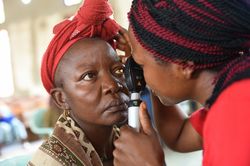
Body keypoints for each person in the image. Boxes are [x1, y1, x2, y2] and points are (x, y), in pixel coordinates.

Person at [113, 0, 250, 165]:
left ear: (184, 65)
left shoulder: (236, 119)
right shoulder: (232, 94)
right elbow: (178, 135)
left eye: (141, 65)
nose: (141, 74)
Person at [28, 0, 129, 165]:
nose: (113, 85)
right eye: (89, 76)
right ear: (62, 98)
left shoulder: (128, 143)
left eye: (118, 70)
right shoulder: (52, 162)